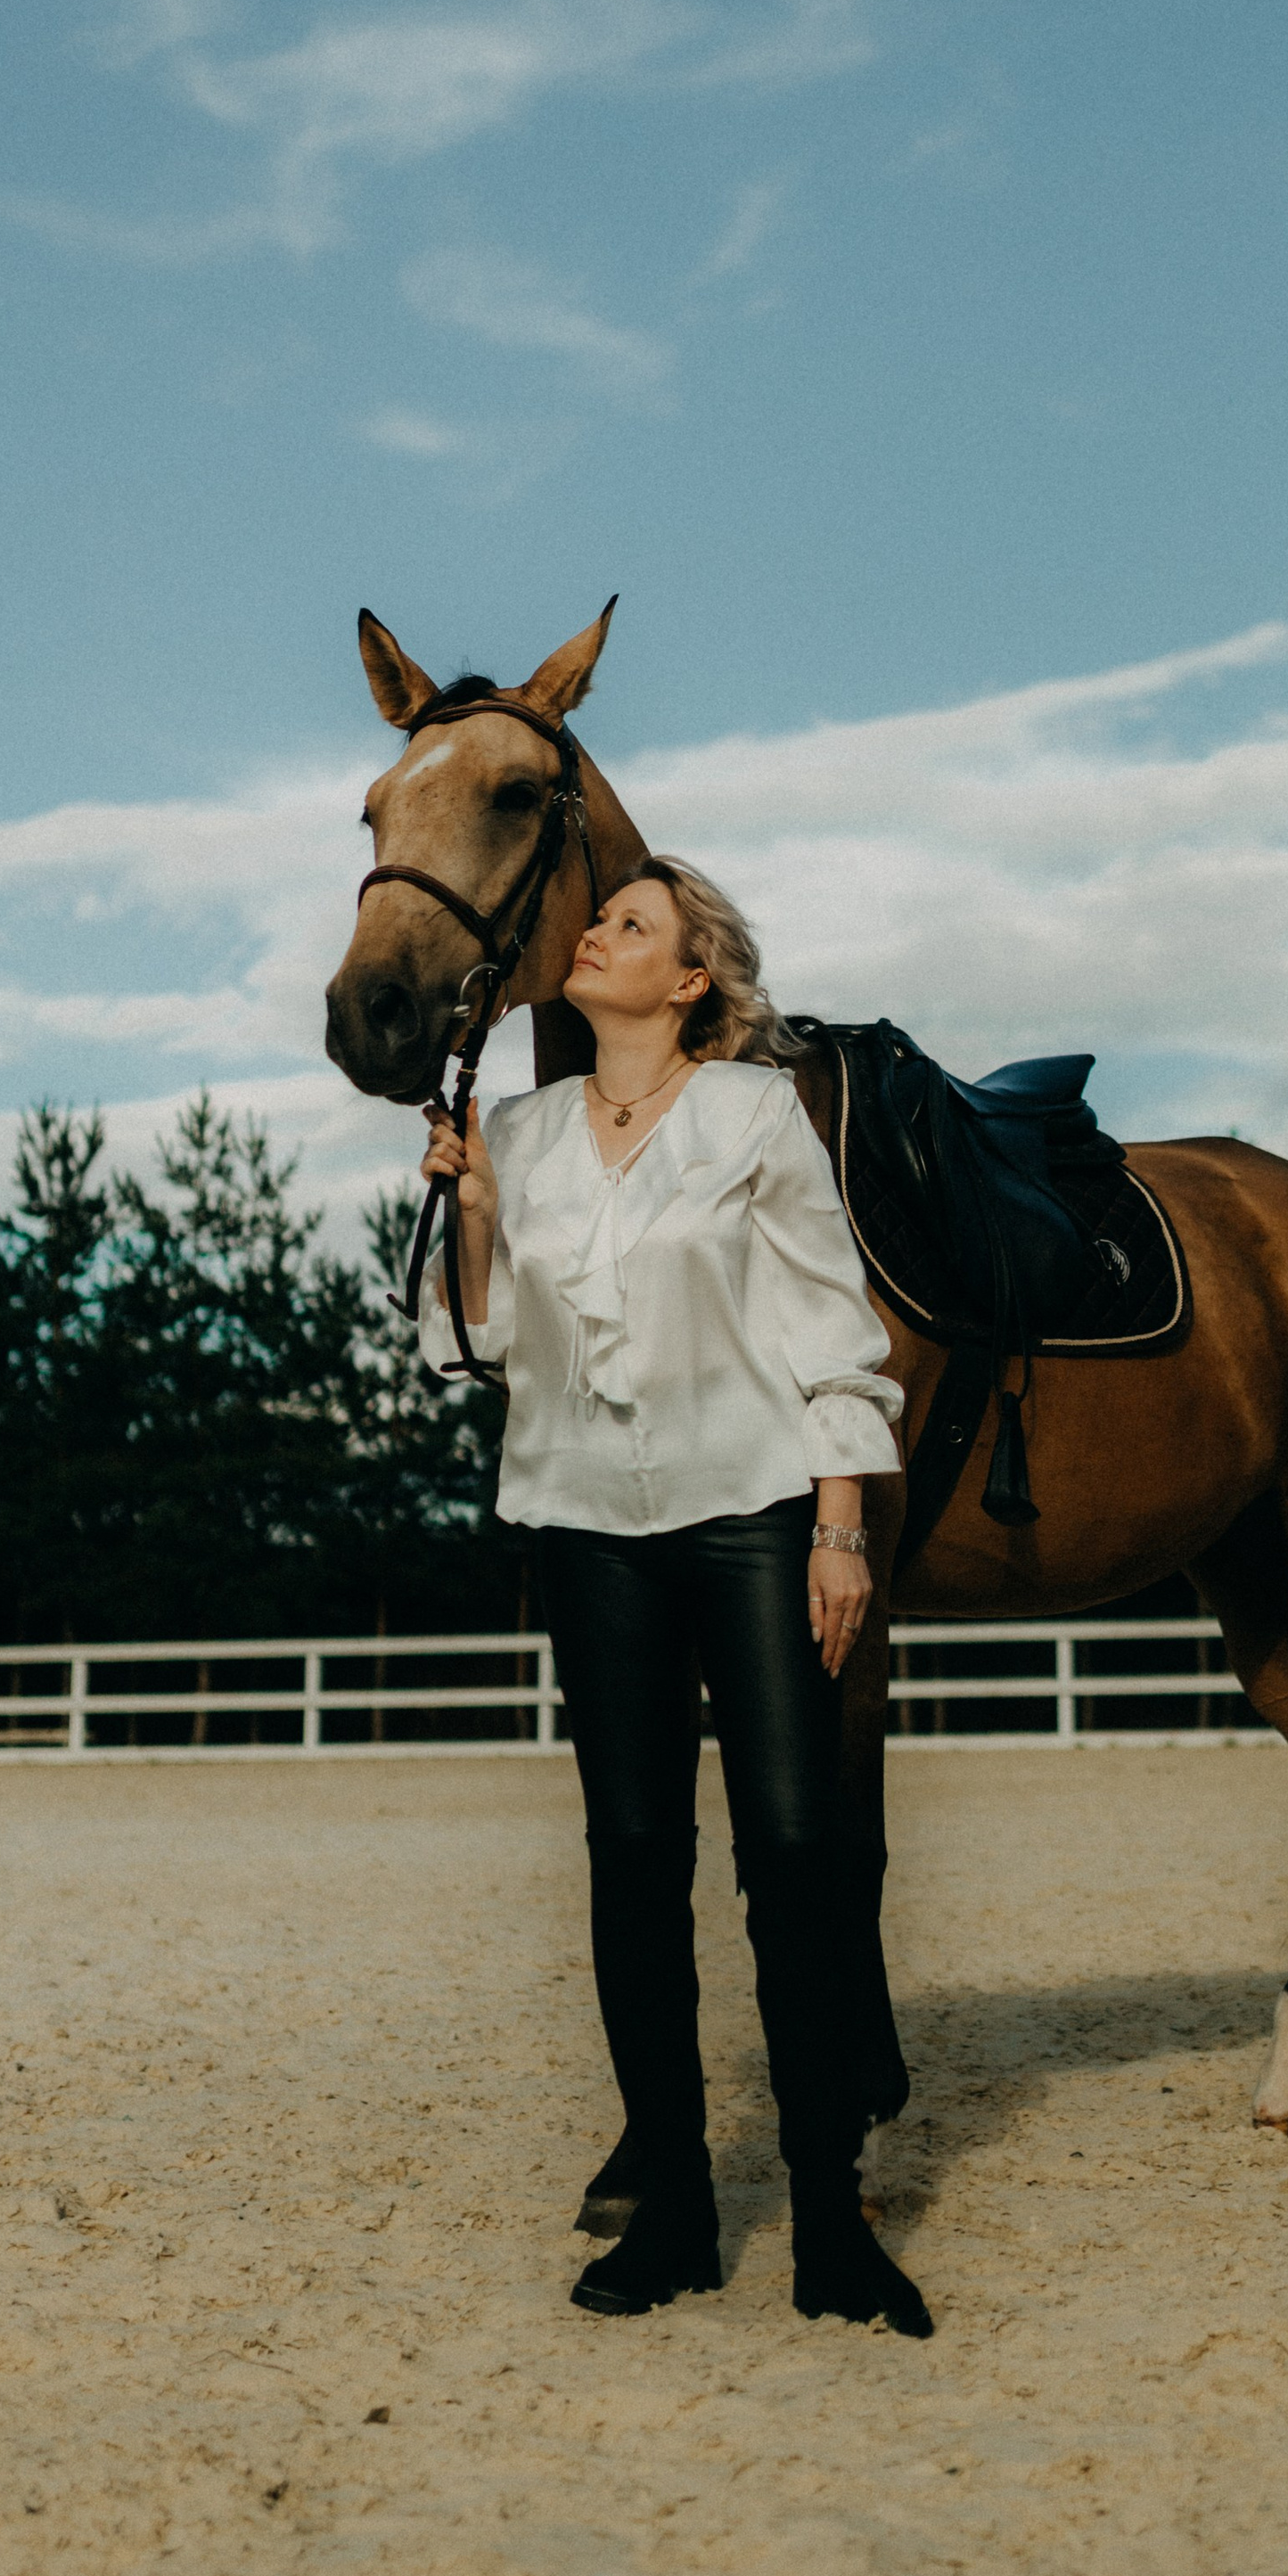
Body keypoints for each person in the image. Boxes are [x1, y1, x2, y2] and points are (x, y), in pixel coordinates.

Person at [419, 856, 931, 2337]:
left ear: (691, 979)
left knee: (797, 1857)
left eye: (632, 925)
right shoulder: (518, 1127)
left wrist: (842, 1526)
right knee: (634, 1861)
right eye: (599, 921)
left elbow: (832, 1328)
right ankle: (684, 2214)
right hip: (588, 1522)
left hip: (759, 1514)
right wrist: (469, 1209)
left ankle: (832, 2219)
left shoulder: (754, 1115)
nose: (596, 934)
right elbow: (483, 1344)